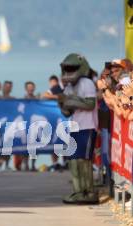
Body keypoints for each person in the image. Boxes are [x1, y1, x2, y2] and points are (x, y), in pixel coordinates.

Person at [58, 53, 98, 204]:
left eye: (72, 68)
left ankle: (89, 193)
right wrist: (62, 103)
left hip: (87, 126)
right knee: (73, 160)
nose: (69, 72)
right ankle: (77, 191)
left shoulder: (86, 83)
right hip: (75, 126)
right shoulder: (69, 86)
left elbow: (90, 104)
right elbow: (67, 112)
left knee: (84, 160)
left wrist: (70, 101)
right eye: (66, 69)